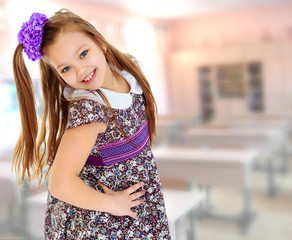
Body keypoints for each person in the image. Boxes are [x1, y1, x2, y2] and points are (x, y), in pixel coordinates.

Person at [12, 9, 171, 239]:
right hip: (102, 222)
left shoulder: (128, 75)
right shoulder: (89, 109)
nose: (80, 70)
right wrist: (112, 204)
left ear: (100, 43)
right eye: (66, 68)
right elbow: (60, 183)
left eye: (83, 54)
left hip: (131, 208)